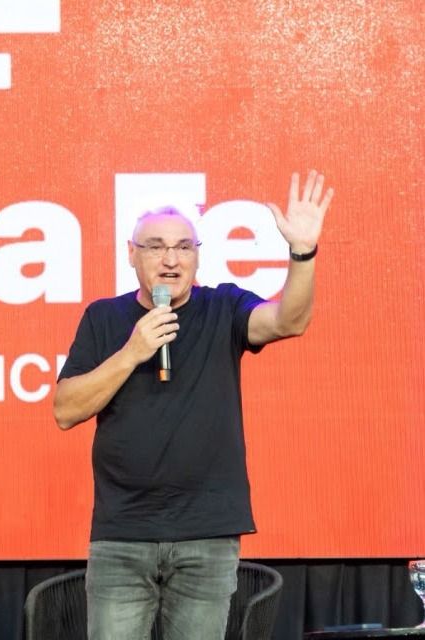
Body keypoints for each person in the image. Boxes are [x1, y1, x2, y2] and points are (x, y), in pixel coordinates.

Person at [53, 171, 333, 639]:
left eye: (184, 246)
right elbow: (66, 409)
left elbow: (289, 320)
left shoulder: (222, 307)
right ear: (132, 255)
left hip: (207, 533)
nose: (170, 258)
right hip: (123, 534)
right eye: (156, 246)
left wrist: (302, 254)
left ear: (197, 256)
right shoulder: (104, 318)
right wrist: (132, 353)